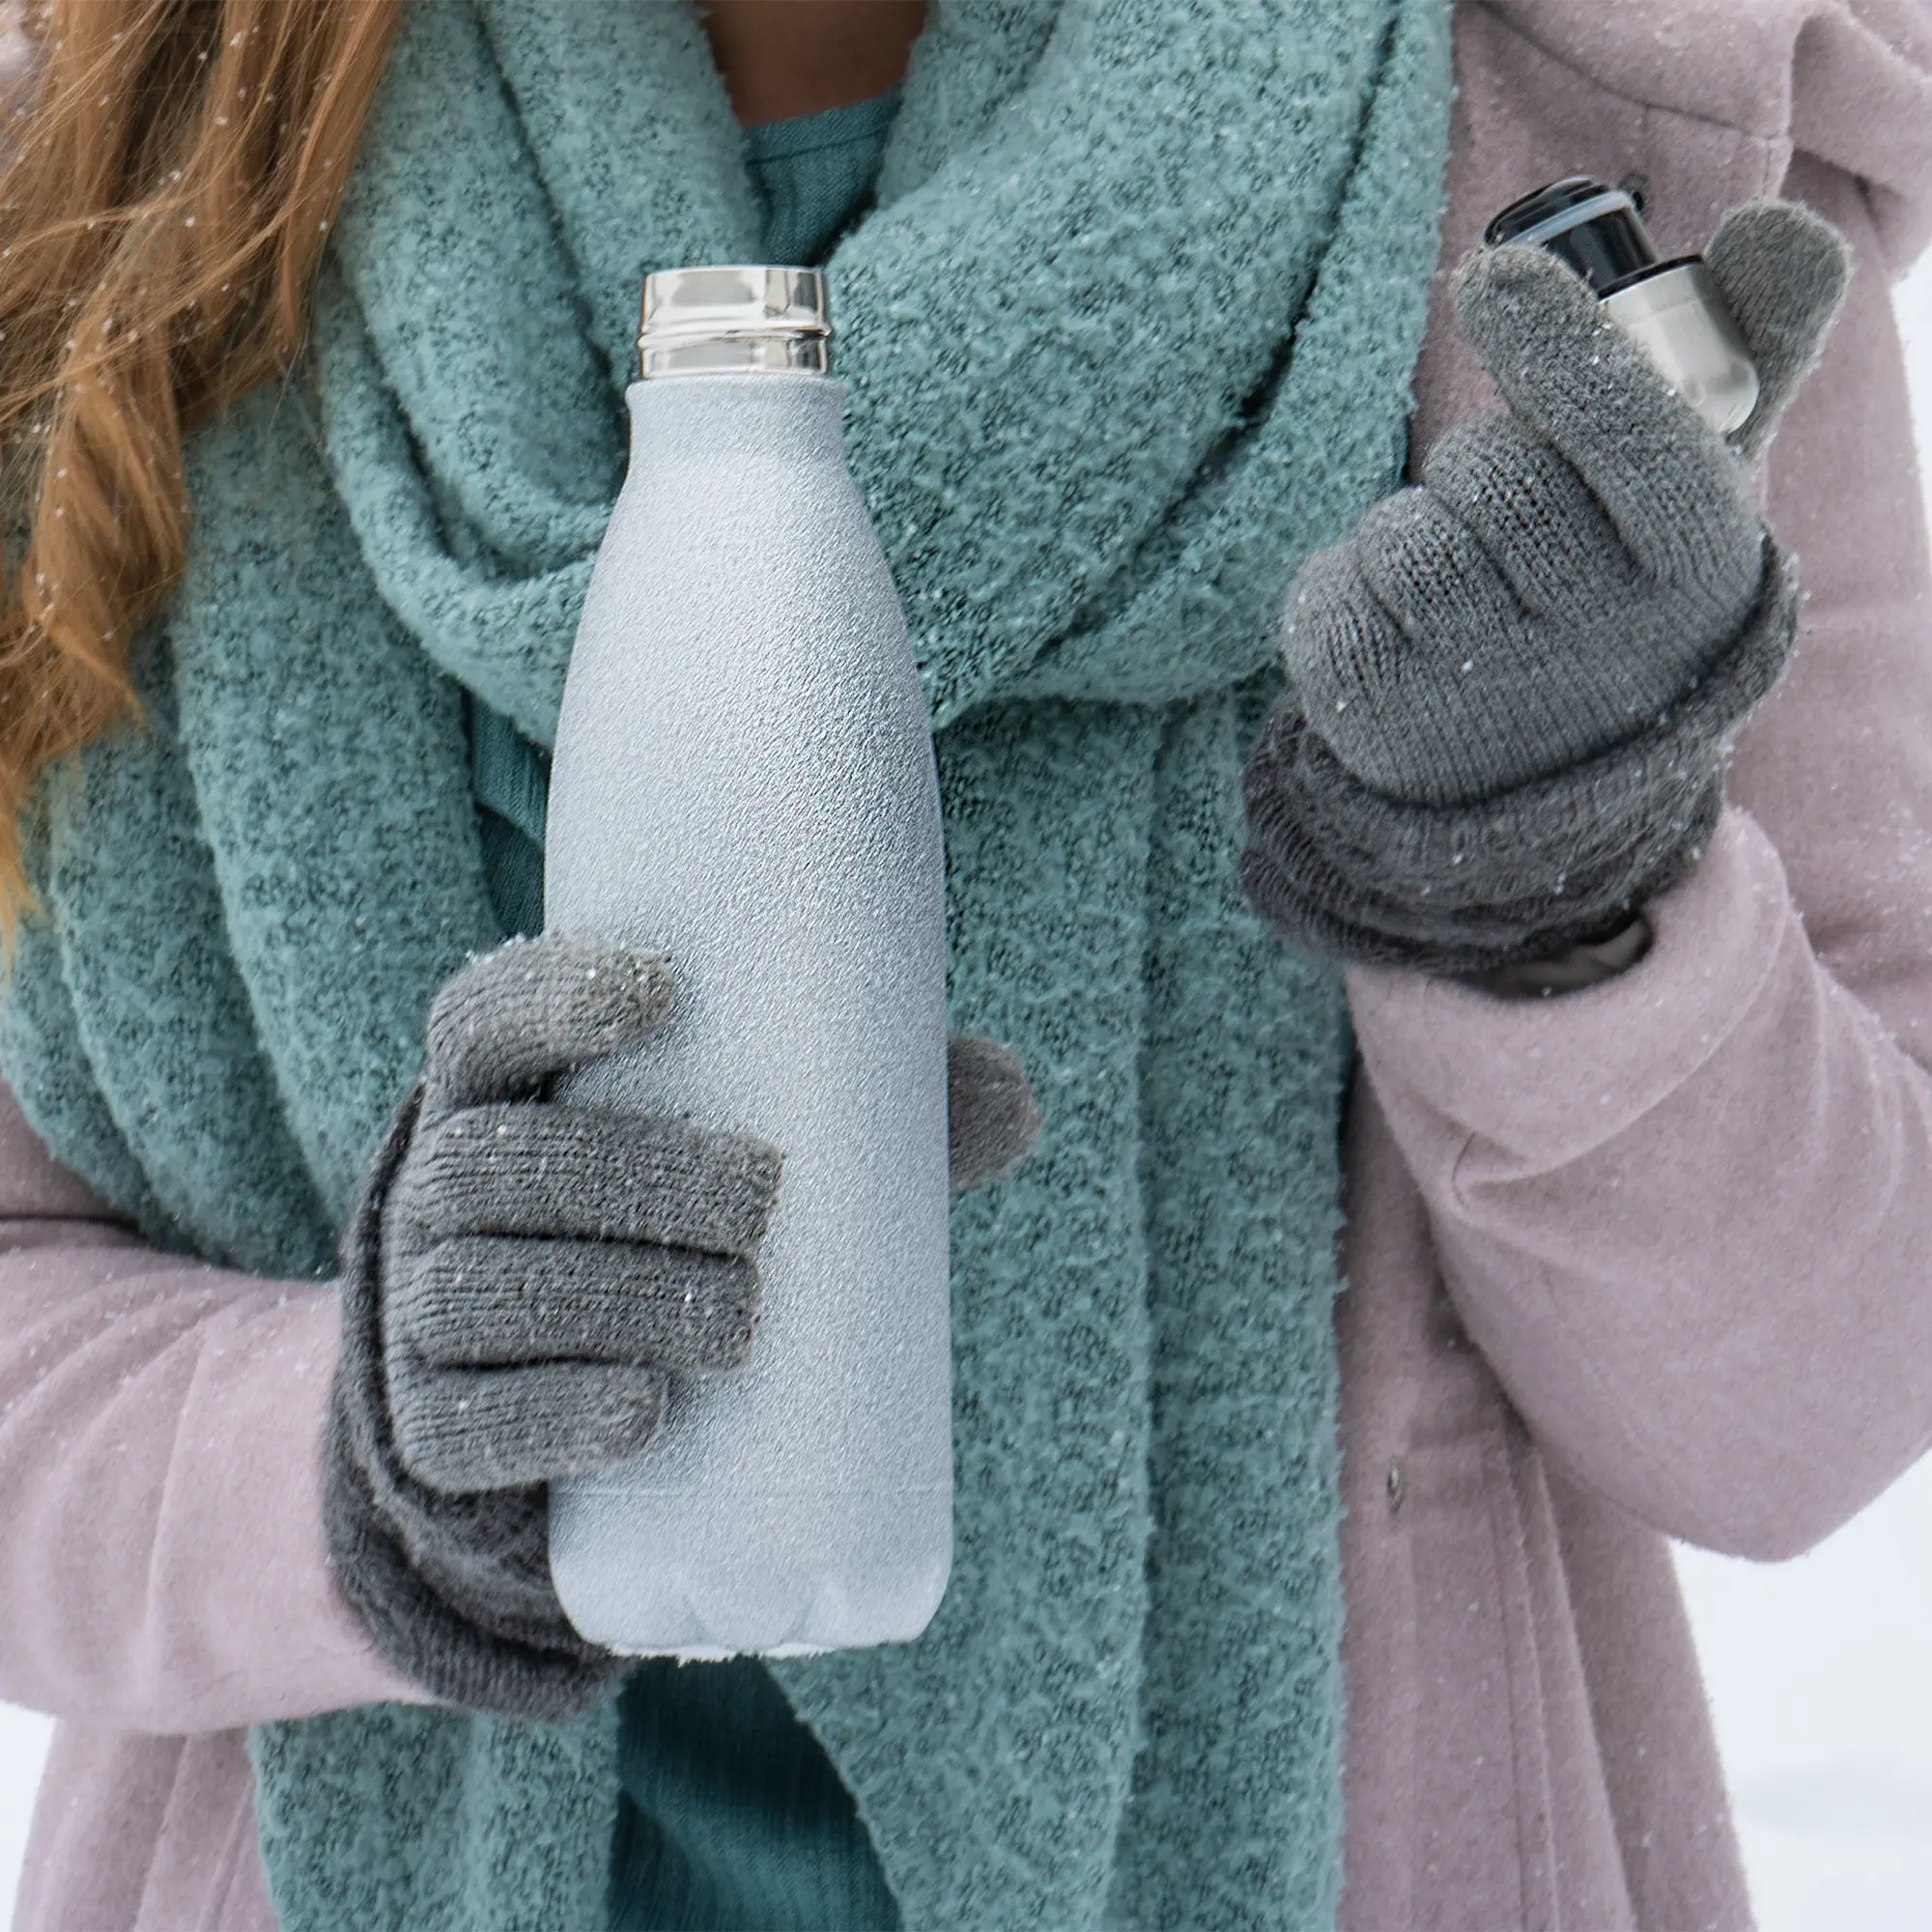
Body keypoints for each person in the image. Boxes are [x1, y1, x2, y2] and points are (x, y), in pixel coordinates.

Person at [0, 0, 1928, 1927]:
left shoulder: (1579, 110)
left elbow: (1813, 1395)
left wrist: (1555, 894)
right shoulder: (119, 173)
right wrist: (353, 1455)